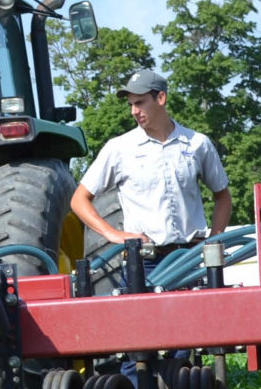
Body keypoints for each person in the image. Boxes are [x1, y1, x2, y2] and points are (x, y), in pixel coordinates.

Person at [71, 68, 232, 265]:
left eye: (139, 103)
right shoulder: (119, 148)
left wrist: (214, 240)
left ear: (161, 98)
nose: (133, 111)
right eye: (131, 104)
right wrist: (112, 234)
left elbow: (222, 195)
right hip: (144, 262)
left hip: (190, 259)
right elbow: (79, 200)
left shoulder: (198, 143)